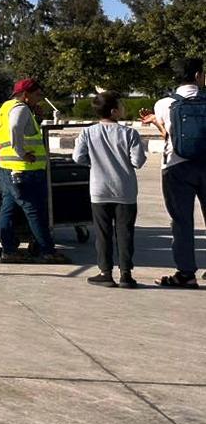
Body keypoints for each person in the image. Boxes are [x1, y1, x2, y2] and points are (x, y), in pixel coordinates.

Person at [141, 57, 206, 287]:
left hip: (176, 167)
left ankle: (186, 274)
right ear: (198, 76)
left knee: (181, 221)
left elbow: (167, 136)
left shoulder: (163, 104)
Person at [74, 91, 146, 289]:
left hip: (99, 189)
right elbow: (138, 161)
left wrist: (94, 163)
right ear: (114, 111)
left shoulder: (88, 132)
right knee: (125, 233)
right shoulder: (130, 133)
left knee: (102, 233)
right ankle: (126, 274)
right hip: (125, 191)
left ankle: (105, 272)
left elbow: (77, 157)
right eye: (121, 105)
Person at [0, 78, 66, 263]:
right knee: (35, 210)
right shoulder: (21, 109)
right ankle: (47, 251)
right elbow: (16, 128)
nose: (39, 98)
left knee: (8, 209)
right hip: (24, 170)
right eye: (37, 95)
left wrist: (37, 117)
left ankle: (9, 250)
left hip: (7, 168)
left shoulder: (5, 108)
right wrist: (22, 153)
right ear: (25, 95)